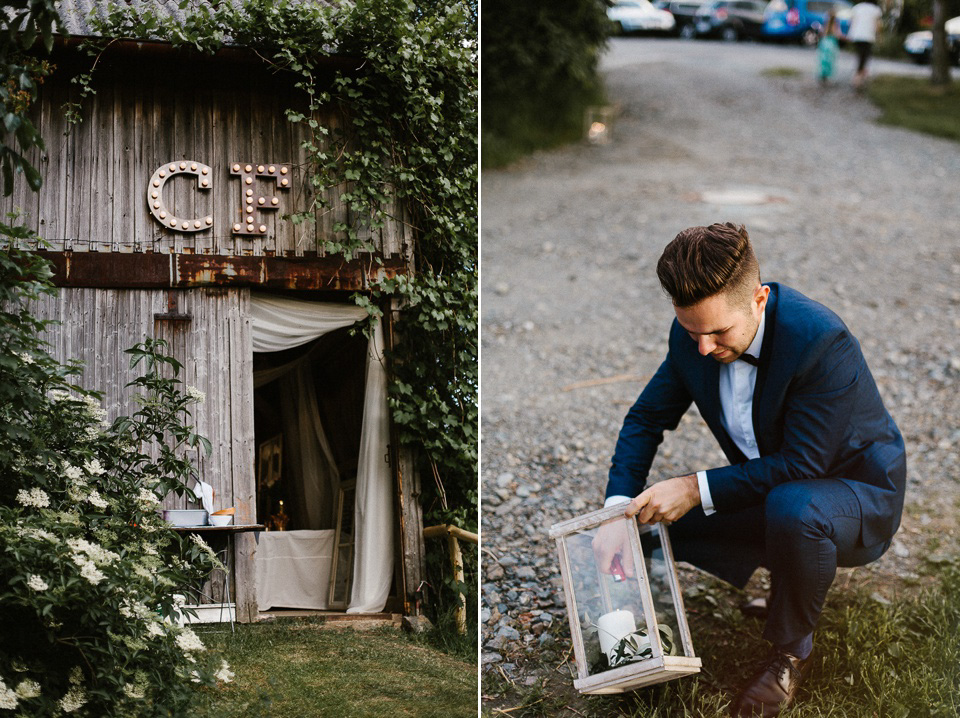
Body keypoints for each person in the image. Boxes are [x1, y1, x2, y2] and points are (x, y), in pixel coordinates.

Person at [594, 223, 905, 717]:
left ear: (759, 300)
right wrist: (615, 514)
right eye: (692, 330)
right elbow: (645, 418)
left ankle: (791, 651)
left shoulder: (822, 341)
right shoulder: (694, 335)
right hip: (778, 488)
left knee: (793, 507)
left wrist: (694, 488)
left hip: (858, 495)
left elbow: (803, 465)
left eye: (718, 332)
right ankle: (780, 586)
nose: (703, 347)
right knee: (649, 518)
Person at [847, 0, 883, 89]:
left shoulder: (857, 7)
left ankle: (861, 76)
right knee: (864, 57)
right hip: (868, 36)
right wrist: (879, 36)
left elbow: (850, 21)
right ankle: (857, 80)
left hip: (856, 36)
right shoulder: (875, 9)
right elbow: (878, 25)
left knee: (860, 55)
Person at [817, 10, 840, 85]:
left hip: (824, 43)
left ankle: (822, 75)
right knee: (830, 61)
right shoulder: (835, 24)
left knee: (823, 60)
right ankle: (826, 76)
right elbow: (838, 34)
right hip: (831, 44)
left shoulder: (826, 24)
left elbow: (822, 33)